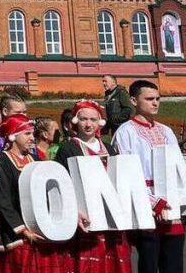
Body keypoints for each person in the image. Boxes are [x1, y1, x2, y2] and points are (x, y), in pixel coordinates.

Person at [112, 80, 183, 273]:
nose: (155, 103)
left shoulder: (166, 131)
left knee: (174, 262)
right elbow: (125, 173)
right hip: (145, 204)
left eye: (158, 99)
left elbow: (179, 168)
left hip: (171, 203)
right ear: (134, 100)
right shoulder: (125, 132)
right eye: (149, 99)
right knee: (149, 261)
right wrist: (151, 201)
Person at [54, 100, 132, 273]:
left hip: (110, 216)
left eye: (93, 120)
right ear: (76, 121)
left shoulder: (109, 149)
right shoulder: (68, 149)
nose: (88, 124)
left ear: (100, 122)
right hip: (85, 217)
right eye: (83, 119)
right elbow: (62, 186)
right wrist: (73, 211)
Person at [0, 113, 72, 273]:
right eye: (27, 134)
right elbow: (3, 200)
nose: (32, 138)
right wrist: (24, 230)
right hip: (20, 235)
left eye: (32, 133)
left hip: (41, 231)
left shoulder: (34, 159)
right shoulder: (2, 162)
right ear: (13, 136)